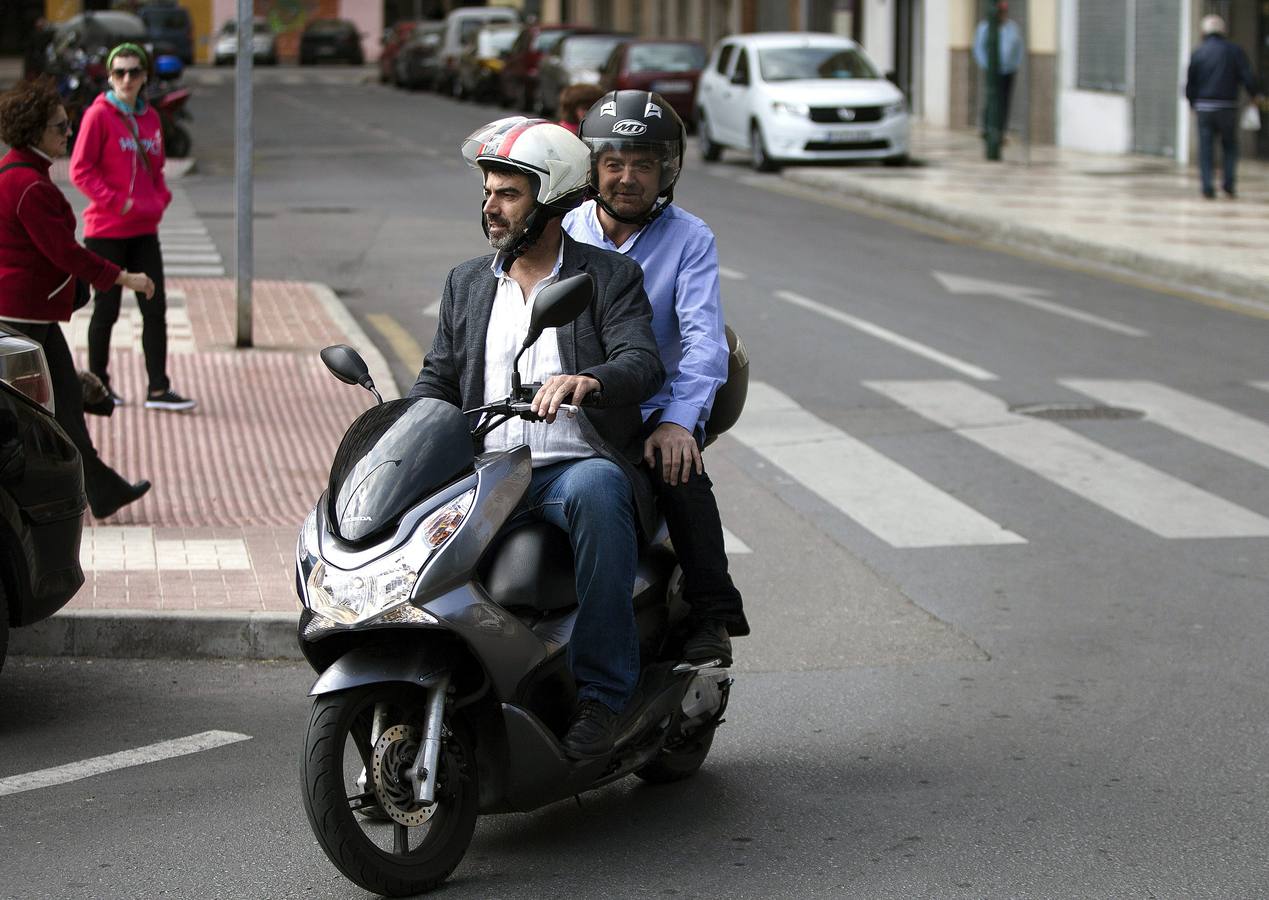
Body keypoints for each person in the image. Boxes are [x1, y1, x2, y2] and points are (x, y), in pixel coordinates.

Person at [408, 117, 664, 759]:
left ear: (550, 200)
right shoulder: (467, 283)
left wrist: (589, 380)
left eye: (508, 195)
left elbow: (642, 361)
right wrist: (403, 433)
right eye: (488, 192)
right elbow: (437, 378)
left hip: (569, 467)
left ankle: (606, 694)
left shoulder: (608, 279)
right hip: (486, 473)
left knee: (602, 490)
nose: (491, 207)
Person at [566, 90, 749, 666]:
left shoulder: (691, 238)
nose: (627, 178)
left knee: (680, 475)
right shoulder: (564, 228)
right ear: (592, 167)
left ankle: (712, 613)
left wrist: (678, 424)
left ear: (666, 171)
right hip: (570, 407)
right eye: (614, 163)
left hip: (652, 408)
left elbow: (703, 342)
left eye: (642, 165)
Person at [0, 78, 153, 518]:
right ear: (34, 132)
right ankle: (70, 494)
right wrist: (124, 278)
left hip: (28, 314)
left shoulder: (22, 174)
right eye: (59, 127)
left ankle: (101, 491)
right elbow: (63, 252)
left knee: (64, 401)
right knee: (46, 409)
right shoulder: (30, 186)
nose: (67, 132)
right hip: (22, 317)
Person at [69, 42, 196, 412]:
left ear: (145, 76)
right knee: (106, 310)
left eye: (134, 72)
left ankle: (158, 388)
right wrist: (118, 201)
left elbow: (156, 168)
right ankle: (98, 386)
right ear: (109, 76)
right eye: (119, 72)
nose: (127, 79)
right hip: (106, 230)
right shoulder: (98, 116)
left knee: (154, 308)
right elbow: (80, 169)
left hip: (144, 231)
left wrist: (159, 199)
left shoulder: (151, 118)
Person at [1185, 14, 1261, 199]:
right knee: (1229, 146)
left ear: (1204, 31)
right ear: (1223, 31)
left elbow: (1190, 83)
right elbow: (1247, 75)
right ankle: (1228, 184)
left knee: (1206, 148)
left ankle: (1207, 186)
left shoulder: (1198, 52)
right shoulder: (1234, 51)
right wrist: (1254, 95)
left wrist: (1192, 103)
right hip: (1227, 106)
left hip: (1204, 107)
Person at [973, 1, 1023, 135]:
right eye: (1001, 12)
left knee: (1005, 99)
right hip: (993, 70)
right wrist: (986, 65)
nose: (1003, 15)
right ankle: (986, 127)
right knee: (992, 98)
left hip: (1008, 70)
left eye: (1005, 12)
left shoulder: (1012, 27)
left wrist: (1016, 64)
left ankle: (1001, 130)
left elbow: (1019, 47)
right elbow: (978, 49)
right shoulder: (985, 27)